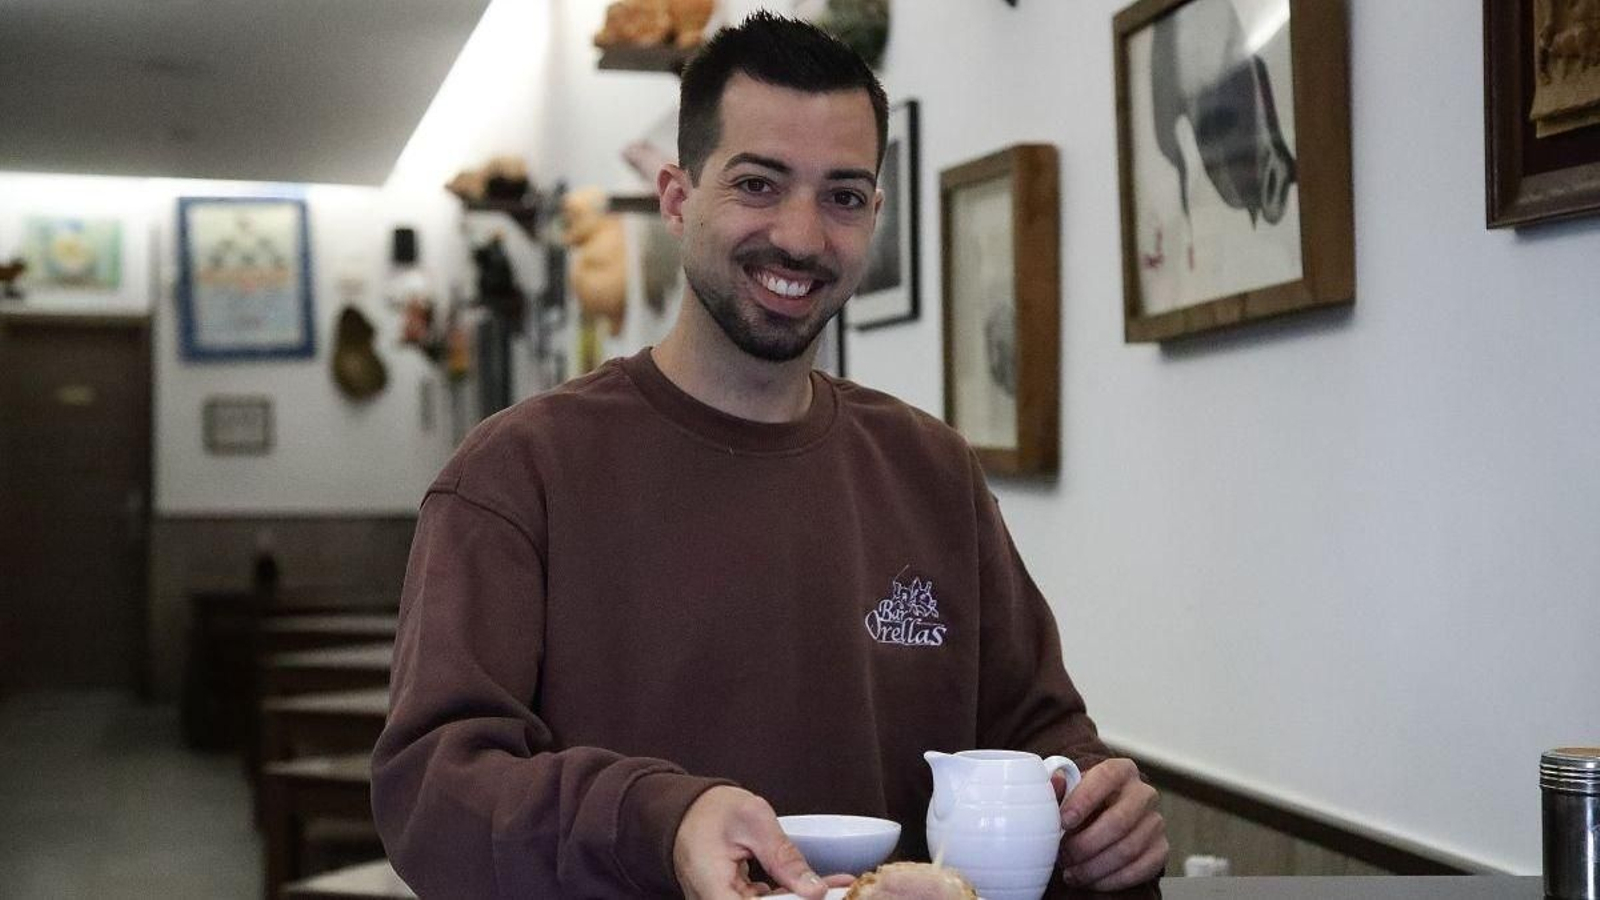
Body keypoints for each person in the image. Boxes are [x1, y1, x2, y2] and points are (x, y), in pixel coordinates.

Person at [371, 12, 1167, 899]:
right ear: (677, 196)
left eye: (843, 195)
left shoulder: (932, 470)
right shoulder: (518, 472)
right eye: (758, 183)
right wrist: (663, 824)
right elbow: (432, 790)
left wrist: (1094, 808)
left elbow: (1037, 731)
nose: (800, 235)